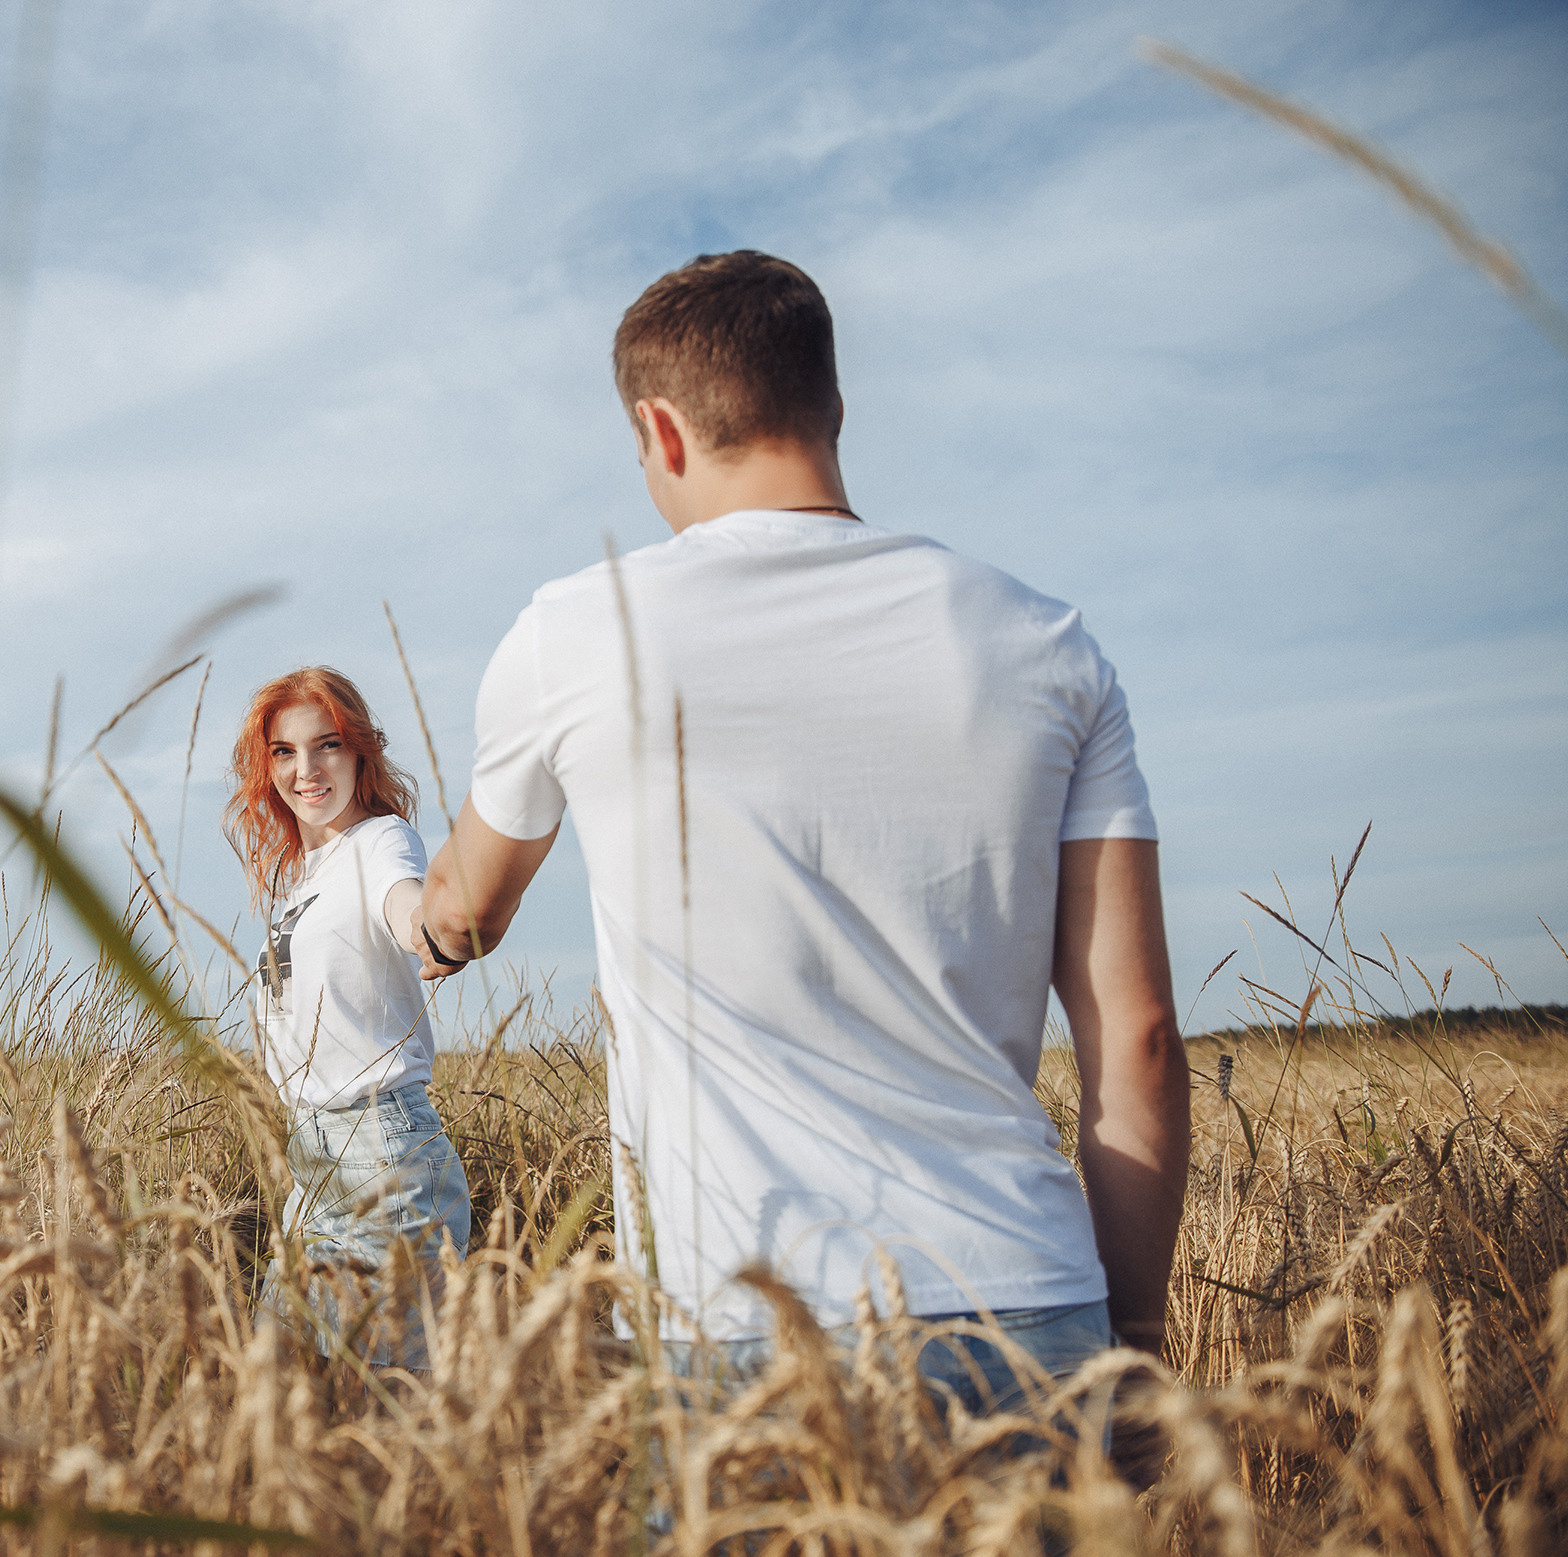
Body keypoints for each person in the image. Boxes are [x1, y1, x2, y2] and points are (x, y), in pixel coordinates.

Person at [414, 251, 1190, 1424]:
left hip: (745, 1325)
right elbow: (1135, 1037)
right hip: (1030, 1312)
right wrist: (1130, 1350)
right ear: (832, 406)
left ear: (660, 432)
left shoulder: (575, 631)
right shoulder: (1048, 644)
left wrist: (412, 907)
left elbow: (465, 914)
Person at [227, 666, 473, 1372]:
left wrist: (431, 929)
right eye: (283, 751)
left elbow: (406, 902)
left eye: (326, 745)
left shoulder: (380, 841)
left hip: (382, 1156)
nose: (306, 770)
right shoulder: (304, 880)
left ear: (360, 752)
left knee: (389, 1422)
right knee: (276, 1394)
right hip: (315, 1165)